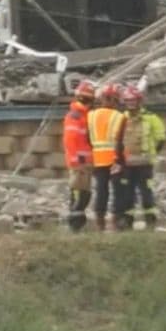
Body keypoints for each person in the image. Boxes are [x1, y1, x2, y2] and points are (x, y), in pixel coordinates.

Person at [113, 85, 166, 231]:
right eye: (128, 101)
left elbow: (161, 138)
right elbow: (117, 139)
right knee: (128, 194)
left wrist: (153, 153)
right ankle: (127, 222)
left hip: (145, 163)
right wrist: (118, 160)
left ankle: (150, 222)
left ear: (139, 101)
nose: (131, 104)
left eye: (133, 100)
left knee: (146, 193)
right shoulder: (122, 118)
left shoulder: (151, 117)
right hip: (127, 164)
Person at [86, 83, 126, 232]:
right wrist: (119, 160)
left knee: (101, 190)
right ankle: (116, 220)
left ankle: (100, 221)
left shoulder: (91, 115)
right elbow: (120, 140)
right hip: (115, 159)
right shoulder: (119, 117)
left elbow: (88, 137)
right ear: (115, 100)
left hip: (98, 159)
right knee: (118, 190)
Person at [62, 80, 95, 233]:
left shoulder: (84, 115)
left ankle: (78, 224)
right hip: (79, 162)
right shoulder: (75, 116)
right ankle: (74, 224)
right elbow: (70, 140)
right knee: (77, 192)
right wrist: (77, 160)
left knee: (84, 193)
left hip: (85, 162)